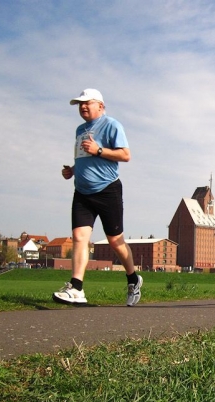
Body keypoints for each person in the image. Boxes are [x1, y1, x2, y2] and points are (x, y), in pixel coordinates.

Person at [53, 89, 143, 306]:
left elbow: (125, 155)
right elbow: (86, 157)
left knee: (115, 241)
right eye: (79, 104)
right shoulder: (80, 130)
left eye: (87, 103)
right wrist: (73, 170)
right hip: (82, 192)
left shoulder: (112, 125)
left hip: (107, 190)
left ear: (100, 106)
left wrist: (99, 150)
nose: (82, 107)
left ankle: (133, 279)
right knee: (79, 238)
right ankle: (76, 288)